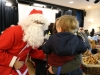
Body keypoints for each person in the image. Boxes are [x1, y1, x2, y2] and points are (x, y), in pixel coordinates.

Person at [0, 9, 49, 75]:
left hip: (21, 67)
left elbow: (32, 52)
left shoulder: (32, 36)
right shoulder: (13, 31)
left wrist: (47, 55)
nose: (38, 25)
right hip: (6, 68)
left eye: (41, 23)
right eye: (36, 22)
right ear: (29, 21)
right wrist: (13, 62)